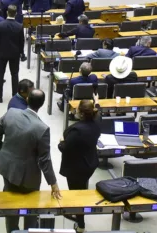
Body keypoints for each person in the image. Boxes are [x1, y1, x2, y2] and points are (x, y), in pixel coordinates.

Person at [0, 89, 61, 233]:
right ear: (41, 105)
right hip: (29, 177)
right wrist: (53, 183)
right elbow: (44, 160)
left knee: (10, 202)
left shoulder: (11, 113)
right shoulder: (42, 129)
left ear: (27, 99)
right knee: (31, 208)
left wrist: (1, 153)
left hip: (8, 169)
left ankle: (12, 230)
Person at [58, 97, 101, 233]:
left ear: (81, 113)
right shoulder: (97, 122)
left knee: (76, 194)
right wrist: (97, 102)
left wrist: (61, 142)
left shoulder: (76, 130)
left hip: (76, 167)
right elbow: (99, 111)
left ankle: (80, 224)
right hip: (90, 162)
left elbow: (65, 148)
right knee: (81, 187)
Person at [0, 5, 24, 103]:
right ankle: (15, 96)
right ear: (15, 14)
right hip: (14, 54)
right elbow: (21, 42)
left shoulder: (0, 25)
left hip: (2, 53)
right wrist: (21, 53)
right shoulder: (19, 26)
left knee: (0, 75)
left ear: (7, 13)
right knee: (14, 75)